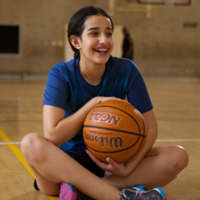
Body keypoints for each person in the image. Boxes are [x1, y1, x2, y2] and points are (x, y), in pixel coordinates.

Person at [21, 6, 189, 200]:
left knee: (178, 156)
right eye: (94, 33)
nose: (104, 40)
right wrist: (94, 103)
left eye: (108, 34)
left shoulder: (127, 70)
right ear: (76, 42)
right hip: (64, 165)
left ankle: (81, 191)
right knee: (30, 143)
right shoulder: (61, 74)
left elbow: (150, 128)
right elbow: (52, 136)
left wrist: (127, 168)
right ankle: (120, 196)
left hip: (113, 163)